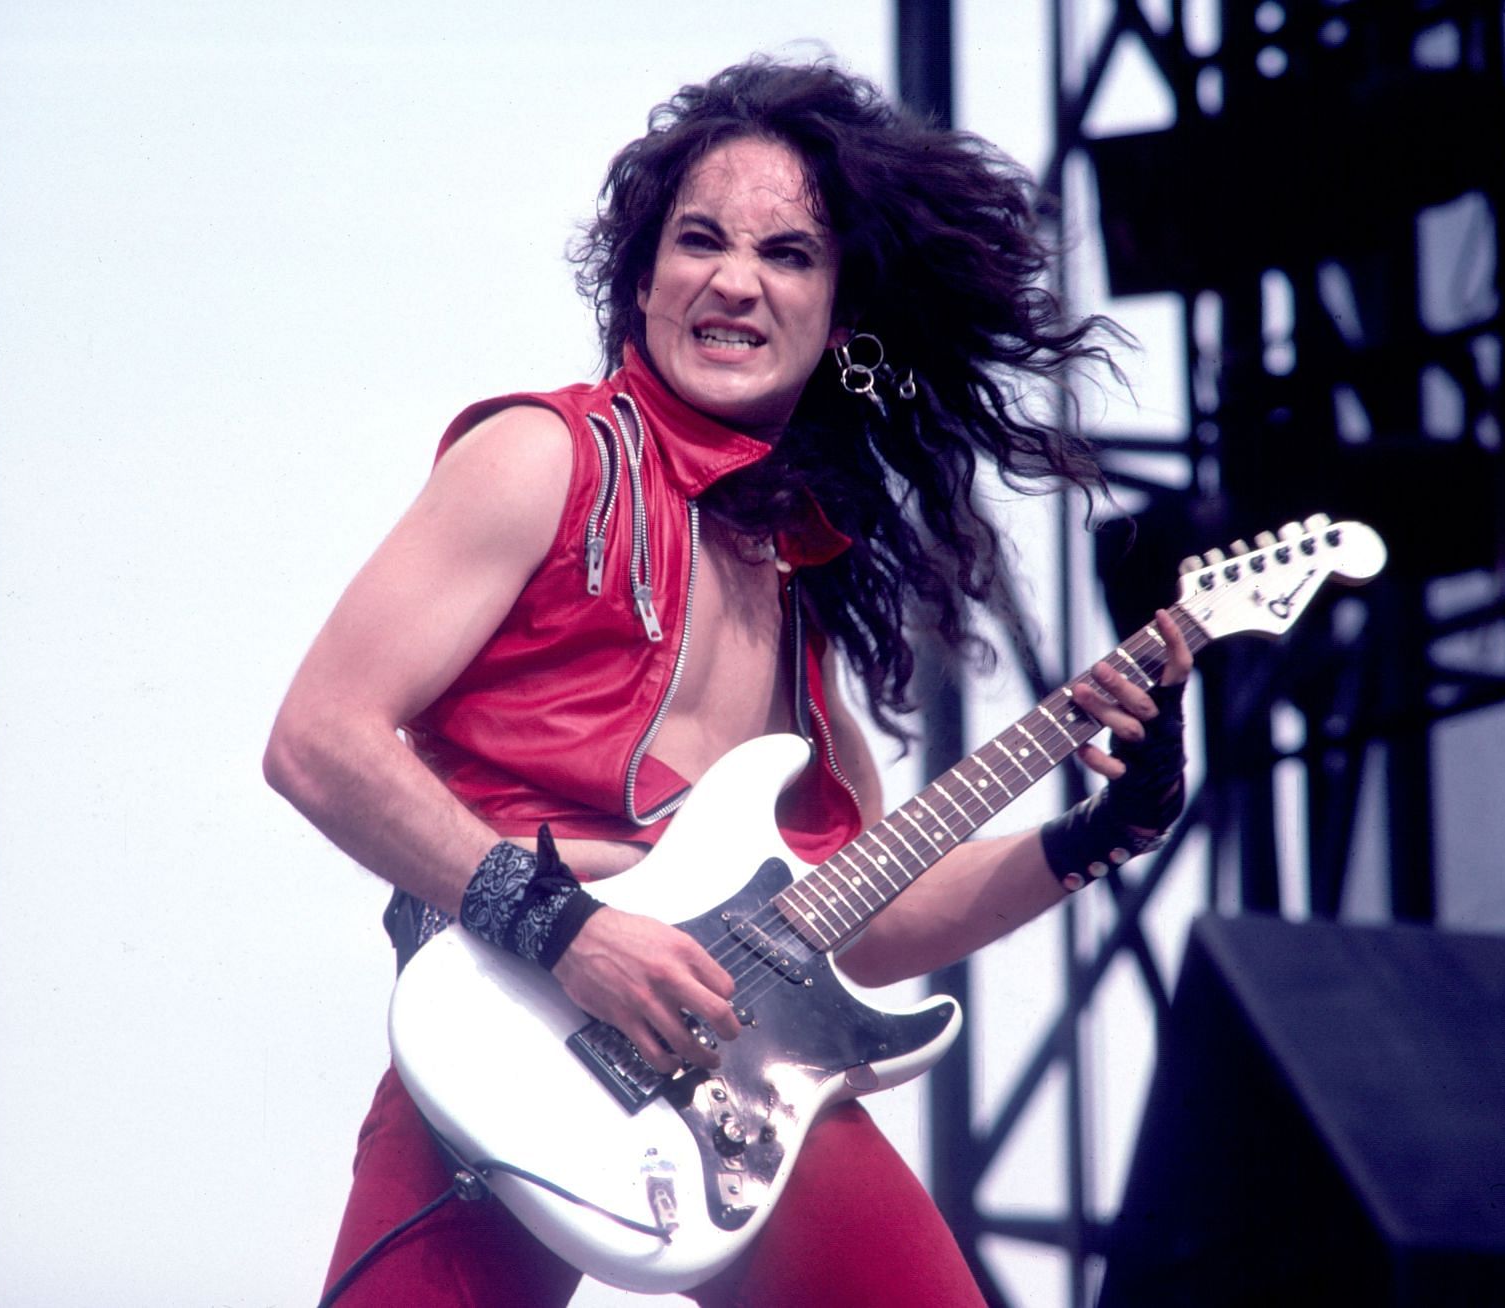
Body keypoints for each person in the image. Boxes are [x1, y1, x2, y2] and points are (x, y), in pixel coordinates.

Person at [264, 58, 1192, 1307]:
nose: (736, 280)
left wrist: (1103, 830)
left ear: (840, 314)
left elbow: (858, 911)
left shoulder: (789, 574)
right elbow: (318, 738)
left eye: (789, 255)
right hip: (504, 1033)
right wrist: (573, 934)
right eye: (698, 240)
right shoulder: (540, 457)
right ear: (641, 280)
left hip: (735, 1075)